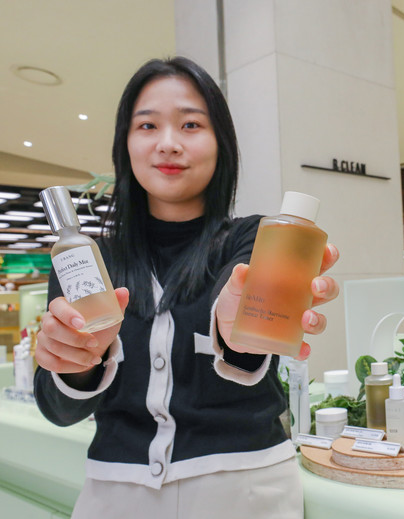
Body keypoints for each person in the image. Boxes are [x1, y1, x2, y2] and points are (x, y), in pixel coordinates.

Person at [33, 56, 340, 518]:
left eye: (191, 125)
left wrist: (236, 330)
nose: (168, 144)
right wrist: (76, 362)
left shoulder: (258, 238)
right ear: (125, 143)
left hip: (246, 490)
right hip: (114, 493)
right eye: (147, 125)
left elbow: (237, 314)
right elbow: (60, 410)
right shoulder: (85, 259)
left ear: (221, 144)